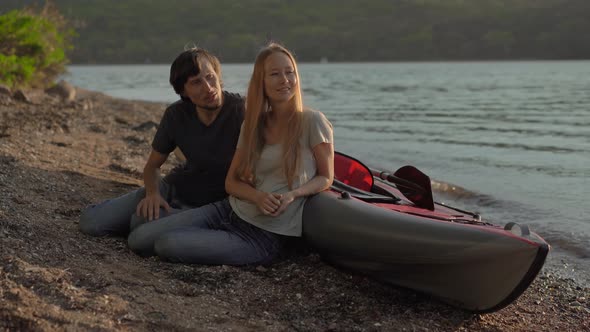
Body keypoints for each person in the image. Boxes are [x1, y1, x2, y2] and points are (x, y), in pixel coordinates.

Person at [126, 42, 334, 265]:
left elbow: (326, 177)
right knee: (138, 238)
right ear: (261, 82)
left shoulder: (312, 121)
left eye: (290, 72)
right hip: (228, 210)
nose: (285, 80)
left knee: (165, 244)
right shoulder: (253, 124)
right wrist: (258, 196)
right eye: (275, 74)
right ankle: (182, 218)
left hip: (262, 234)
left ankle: (184, 223)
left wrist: (294, 194)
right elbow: (231, 183)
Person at [79, 47, 245, 237]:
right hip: (174, 190)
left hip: (211, 206)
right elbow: (152, 166)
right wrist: (152, 194)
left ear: (218, 75)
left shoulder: (241, 111)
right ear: (183, 91)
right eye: (196, 82)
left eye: (210, 76)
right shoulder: (175, 115)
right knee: (91, 222)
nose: (208, 88)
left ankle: (162, 222)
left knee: (140, 226)